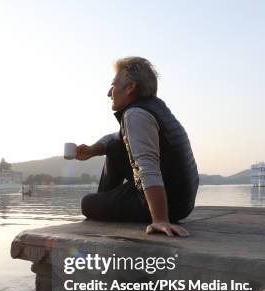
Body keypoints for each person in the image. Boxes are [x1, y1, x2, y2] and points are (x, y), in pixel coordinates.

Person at [76, 57, 198, 237]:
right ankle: (105, 201)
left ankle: (102, 204)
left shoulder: (135, 114)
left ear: (130, 87)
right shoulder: (153, 107)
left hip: (170, 204)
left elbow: (148, 167)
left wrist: (160, 219)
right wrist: (92, 150)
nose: (109, 93)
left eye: (113, 85)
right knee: (115, 146)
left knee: (87, 203)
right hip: (179, 197)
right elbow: (115, 139)